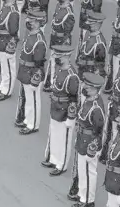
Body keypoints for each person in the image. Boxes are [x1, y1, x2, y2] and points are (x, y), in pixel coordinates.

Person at [68, 73, 106, 207]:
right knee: (82, 170)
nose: (85, 88)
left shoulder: (96, 108)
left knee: (89, 171)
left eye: (89, 88)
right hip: (82, 139)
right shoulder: (89, 100)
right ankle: (81, 193)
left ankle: (88, 199)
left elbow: (98, 130)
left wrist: (93, 149)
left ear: (96, 90)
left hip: (89, 142)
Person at [42, 45, 80, 176]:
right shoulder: (59, 70)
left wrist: (71, 117)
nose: (57, 58)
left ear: (67, 57)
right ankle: (53, 158)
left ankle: (61, 165)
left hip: (64, 111)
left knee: (64, 138)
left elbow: (74, 99)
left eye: (59, 57)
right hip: (55, 108)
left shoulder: (72, 76)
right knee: (55, 134)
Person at [15, 11, 47, 135]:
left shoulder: (39, 41)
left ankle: (33, 124)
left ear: (38, 23)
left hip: (32, 72)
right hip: (25, 70)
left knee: (33, 99)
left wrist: (35, 78)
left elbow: (38, 63)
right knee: (28, 99)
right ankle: (28, 119)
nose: (29, 22)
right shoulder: (30, 35)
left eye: (32, 21)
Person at [0, 0, 20, 101]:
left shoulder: (13, 11)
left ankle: (7, 91)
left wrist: (11, 44)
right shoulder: (5, 7)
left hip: (6, 42)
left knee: (8, 68)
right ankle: (3, 87)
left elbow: (13, 31)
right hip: (0, 40)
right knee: (3, 66)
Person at [43, 0, 75, 92]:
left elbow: (68, 32)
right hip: (54, 38)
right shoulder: (59, 6)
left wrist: (64, 45)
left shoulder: (68, 13)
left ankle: (54, 84)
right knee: (52, 61)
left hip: (61, 41)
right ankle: (49, 81)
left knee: (56, 62)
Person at [101, 59, 120, 163]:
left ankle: (113, 156)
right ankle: (105, 154)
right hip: (114, 105)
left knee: (117, 133)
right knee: (108, 131)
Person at [75, 11, 107, 80]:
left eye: (91, 24)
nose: (89, 25)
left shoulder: (99, 42)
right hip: (82, 70)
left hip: (91, 72)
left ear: (98, 24)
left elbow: (100, 62)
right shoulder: (88, 36)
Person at [104, 0, 120, 94]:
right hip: (115, 43)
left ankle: (116, 92)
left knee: (117, 69)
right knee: (111, 66)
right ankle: (111, 87)